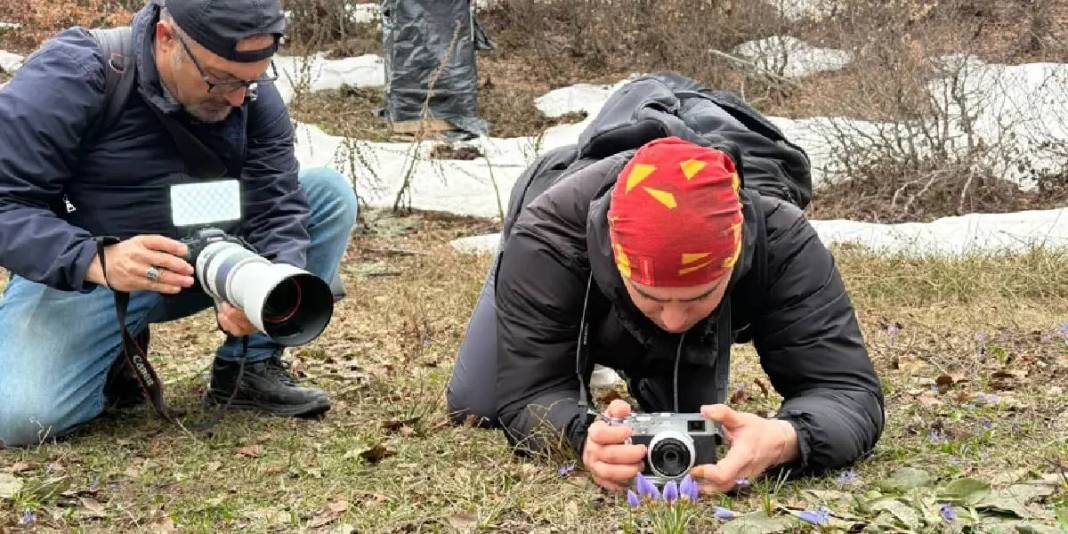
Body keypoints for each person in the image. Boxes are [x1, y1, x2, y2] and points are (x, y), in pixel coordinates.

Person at [446, 74, 884, 495]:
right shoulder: (548, 239)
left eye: (699, 296)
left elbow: (846, 391)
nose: (674, 320)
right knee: (477, 403)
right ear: (615, 262)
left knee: (682, 417)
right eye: (651, 296)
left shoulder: (783, 240)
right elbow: (529, 392)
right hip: (556, 225)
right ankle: (593, 337)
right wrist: (582, 438)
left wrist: (787, 439)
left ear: (736, 259)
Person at [0, 0, 358, 447]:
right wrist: (95, 259)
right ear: (166, 38)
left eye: (250, 82)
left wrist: (272, 283)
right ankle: (113, 355)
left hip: (203, 254)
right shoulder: (76, 72)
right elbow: (6, 201)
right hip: (95, 272)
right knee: (22, 417)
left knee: (327, 193)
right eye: (220, 80)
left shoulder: (247, 89)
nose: (237, 98)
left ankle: (250, 368)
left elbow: (276, 200)